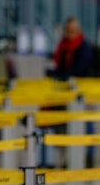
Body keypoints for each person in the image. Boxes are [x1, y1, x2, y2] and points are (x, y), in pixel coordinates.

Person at [41, 17, 96, 167]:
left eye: (73, 30)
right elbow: (61, 69)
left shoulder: (84, 48)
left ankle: (89, 155)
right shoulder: (62, 48)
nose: (70, 33)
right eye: (68, 30)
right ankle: (65, 157)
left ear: (78, 31)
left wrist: (61, 77)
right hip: (66, 92)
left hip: (83, 91)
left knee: (87, 123)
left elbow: (77, 70)